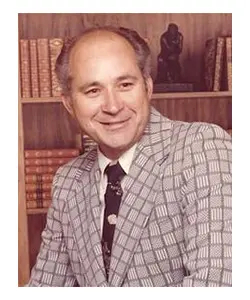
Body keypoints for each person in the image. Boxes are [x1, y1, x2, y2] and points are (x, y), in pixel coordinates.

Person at [26, 26, 232, 287]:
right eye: (93, 91)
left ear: (147, 87)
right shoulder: (67, 181)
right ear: (68, 103)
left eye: (125, 84)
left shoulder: (202, 148)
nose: (113, 106)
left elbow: (219, 284)